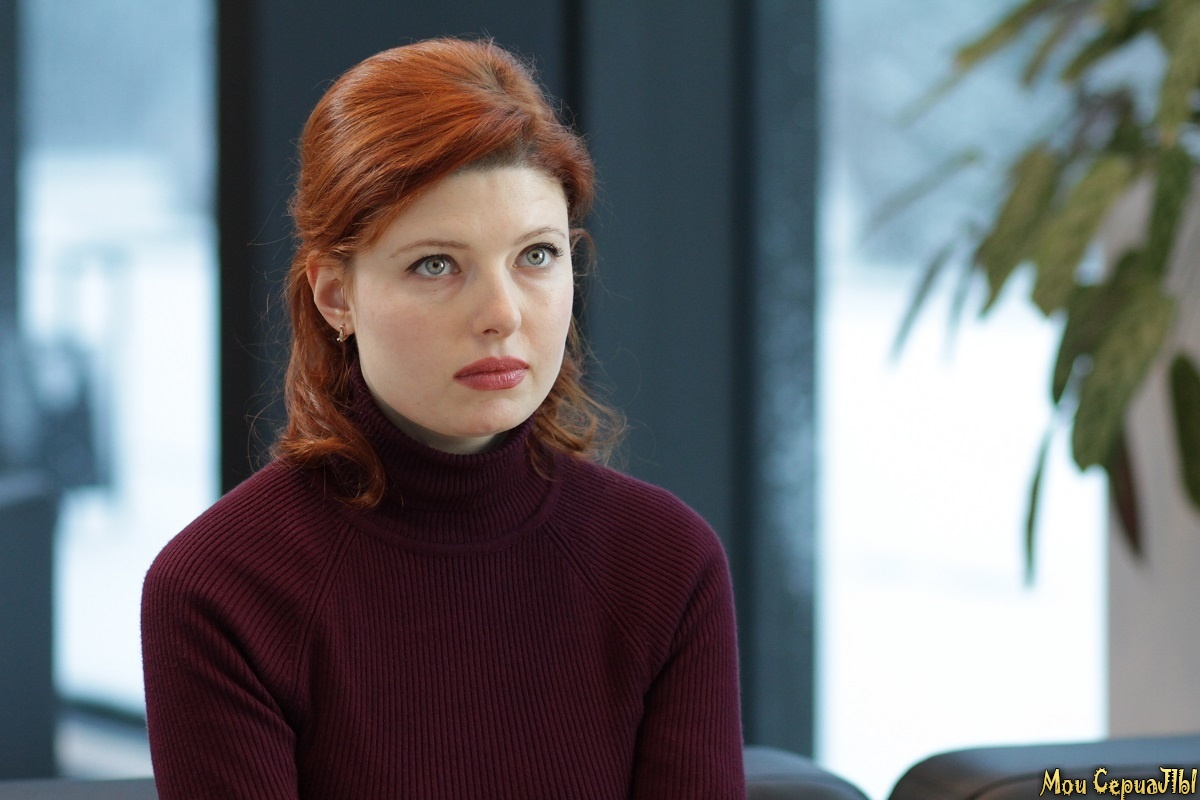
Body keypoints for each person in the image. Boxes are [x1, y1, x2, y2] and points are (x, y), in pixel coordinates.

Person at [141, 37, 746, 799]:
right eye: (436, 265)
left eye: (535, 256)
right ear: (336, 296)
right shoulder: (222, 591)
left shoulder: (665, 564)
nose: (502, 314)